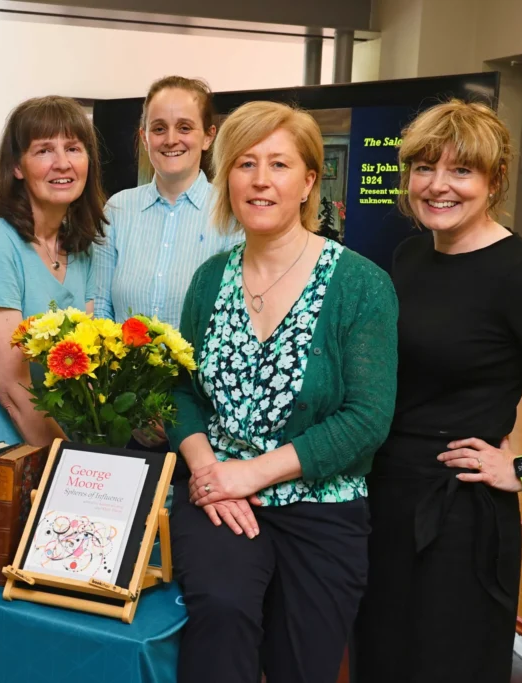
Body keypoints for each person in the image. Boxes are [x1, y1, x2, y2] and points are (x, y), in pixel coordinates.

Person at [351, 100, 522, 683]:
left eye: (461, 171)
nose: (438, 186)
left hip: (458, 511)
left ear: (494, 181)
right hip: (386, 495)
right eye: (425, 167)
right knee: (380, 659)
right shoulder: (410, 257)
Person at [165, 100, 398, 683]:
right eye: (245, 164)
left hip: (323, 503)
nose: (261, 180)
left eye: (279, 164)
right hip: (218, 497)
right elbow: (182, 392)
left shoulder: (361, 284)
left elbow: (367, 418)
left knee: (304, 659)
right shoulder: (209, 278)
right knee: (220, 617)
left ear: (309, 181)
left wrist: (255, 473)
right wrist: (211, 474)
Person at [92, 76, 242, 449]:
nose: (171, 139)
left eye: (184, 127)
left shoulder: (232, 214)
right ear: (145, 137)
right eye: (159, 128)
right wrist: (128, 403)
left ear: (208, 136)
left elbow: (235, 329)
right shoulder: (118, 209)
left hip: (204, 423)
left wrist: (182, 414)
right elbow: (100, 312)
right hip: (123, 418)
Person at [0, 96, 107, 451]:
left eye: (73, 148)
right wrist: (71, 469)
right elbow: (13, 390)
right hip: (0, 449)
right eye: (43, 151)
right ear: (17, 167)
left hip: (57, 442)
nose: (62, 163)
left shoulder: (81, 248)